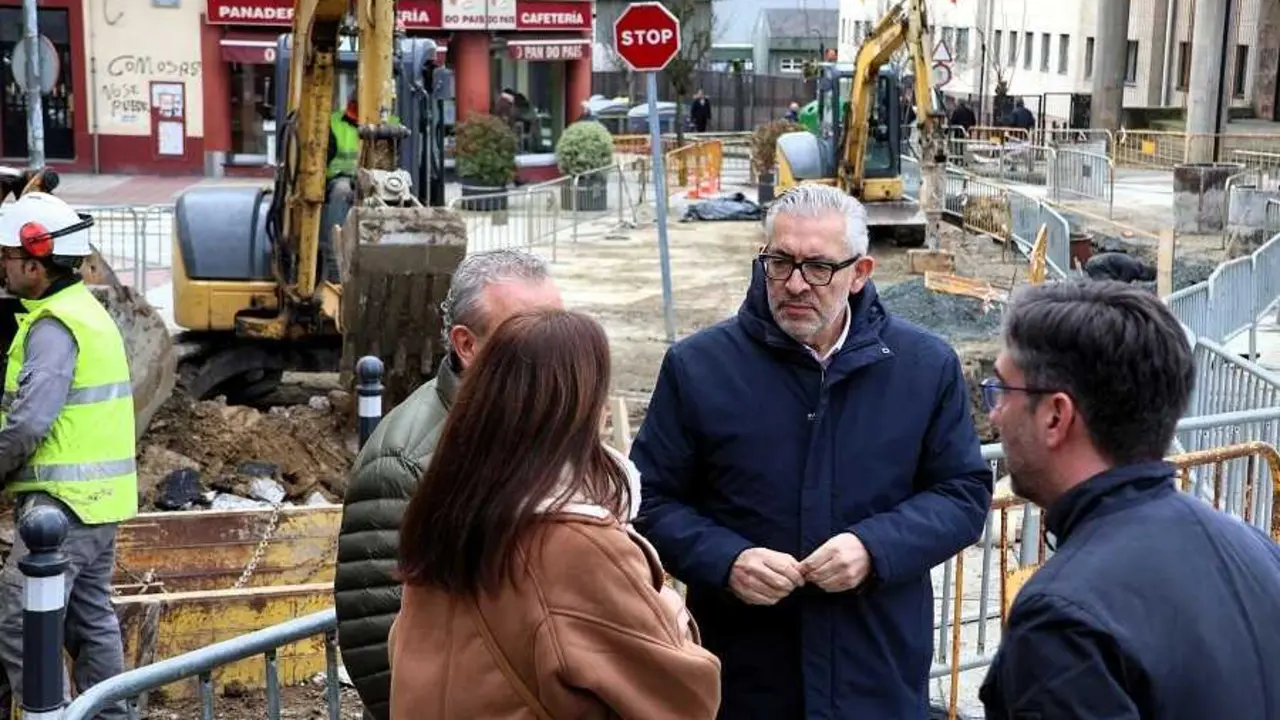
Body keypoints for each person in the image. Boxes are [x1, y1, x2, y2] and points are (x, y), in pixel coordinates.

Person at [631, 183, 993, 718]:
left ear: (860, 273)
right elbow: (646, 501)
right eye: (780, 263)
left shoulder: (925, 365)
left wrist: (874, 548)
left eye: (818, 267)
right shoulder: (698, 367)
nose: (796, 284)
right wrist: (726, 560)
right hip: (745, 682)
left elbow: (962, 494)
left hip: (876, 677)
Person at [389, 309, 722, 719]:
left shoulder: (445, 512)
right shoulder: (575, 544)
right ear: (581, 406)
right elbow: (686, 699)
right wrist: (669, 610)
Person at [979, 281, 1280, 719]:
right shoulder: (1257, 551)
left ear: (1055, 416)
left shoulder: (1064, 624)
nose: (993, 413)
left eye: (1003, 390)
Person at [334, 249, 563, 720]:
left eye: (558, 327)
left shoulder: (542, 422)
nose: (554, 351)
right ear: (467, 344)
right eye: (528, 334)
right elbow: (377, 643)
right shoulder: (405, 463)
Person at [0, 193, 137, 719]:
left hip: (63, 506)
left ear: (35, 263)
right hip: (98, 500)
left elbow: (30, 422)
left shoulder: (53, 326)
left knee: (20, 617)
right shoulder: (84, 311)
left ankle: (51, 715)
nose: (4, 267)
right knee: (88, 619)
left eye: (9, 258)